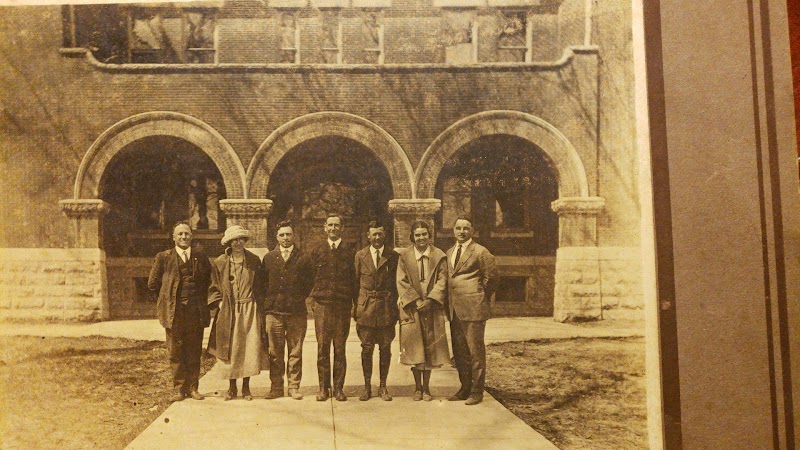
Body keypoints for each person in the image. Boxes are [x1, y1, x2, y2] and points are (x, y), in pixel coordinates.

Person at [148, 221, 213, 402]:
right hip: (174, 313)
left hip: (195, 313)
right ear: (174, 237)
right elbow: (152, 284)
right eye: (180, 234)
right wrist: (166, 301)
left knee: (194, 351)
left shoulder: (200, 256)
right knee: (175, 352)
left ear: (191, 236)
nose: (184, 237)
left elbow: (208, 281)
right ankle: (179, 388)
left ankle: (193, 387)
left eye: (187, 234)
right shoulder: (164, 257)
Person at [206, 225, 268, 401]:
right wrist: (219, 304)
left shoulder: (255, 261)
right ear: (229, 242)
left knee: (249, 348)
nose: (238, 243)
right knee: (231, 349)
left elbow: (262, 285)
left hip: (250, 308)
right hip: (229, 311)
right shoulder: (220, 262)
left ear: (245, 241)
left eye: (241, 239)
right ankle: (232, 388)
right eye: (234, 240)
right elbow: (213, 287)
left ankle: (246, 388)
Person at [396, 220, 450, 401]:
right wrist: (416, 300)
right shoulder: (404, 256)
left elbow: (443, 280)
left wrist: (431, 299)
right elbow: (401, 281)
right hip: (413, 309)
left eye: (424, 234)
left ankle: (426, 388)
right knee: (415, 348)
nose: (421, 238)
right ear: (412, 237)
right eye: (417, 235)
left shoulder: (439, 256)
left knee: (429, 348)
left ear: (429, 235)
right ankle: (417, 388)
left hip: (432, 308)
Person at [446, 217, 498, 405]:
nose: (462, 232)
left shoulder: (480, 251)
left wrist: (479, 296)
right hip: (454, 309)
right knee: (459, 353)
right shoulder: (450, 251)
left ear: (472, 230)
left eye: (466, 228)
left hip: (473, 308)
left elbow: (491, 278)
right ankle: (464, 388)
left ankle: (476, 392)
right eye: (458, 228)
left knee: (475, 352)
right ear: (454, 230)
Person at [262, 220, 314, 400]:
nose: (285, 238)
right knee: (275, 352)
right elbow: (262, 285)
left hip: (296, 312)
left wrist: (298, 298)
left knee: (295, 351)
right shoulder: (269, 258)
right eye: (282, 235)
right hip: (274, 313)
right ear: (277, 237)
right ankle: (276, 387)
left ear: (294, 236)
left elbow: (310, 283)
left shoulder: (304, 258)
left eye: (288, 234)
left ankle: (293, 387)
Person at [309, 213, 356, 402]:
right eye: (330, 225)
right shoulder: (317, 250)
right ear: (324, 227)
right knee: (322, 348)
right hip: (322, 306)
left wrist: (354, 304)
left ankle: (338, 388)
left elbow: (355, 280)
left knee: (340, 348)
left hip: (342, 306)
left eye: (337, 225)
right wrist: (312, 300)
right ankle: (323, 388)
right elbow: (309, 277)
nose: (333, 228)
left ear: (342, 228)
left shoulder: (350, 251)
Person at [353, 220, 400, 401]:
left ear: (384, 234)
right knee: (366, 349)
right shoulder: (360, 255)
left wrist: (395, 308)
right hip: (366, 309)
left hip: (386, 308)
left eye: (380, 234)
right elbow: (355, 283)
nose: (377, 237)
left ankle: (382, 386)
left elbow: (397, 284)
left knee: (385, 348)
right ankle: (367, 387)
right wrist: (357, 308)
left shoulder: (393, 256)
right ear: (368, 236)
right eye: (374, 234)